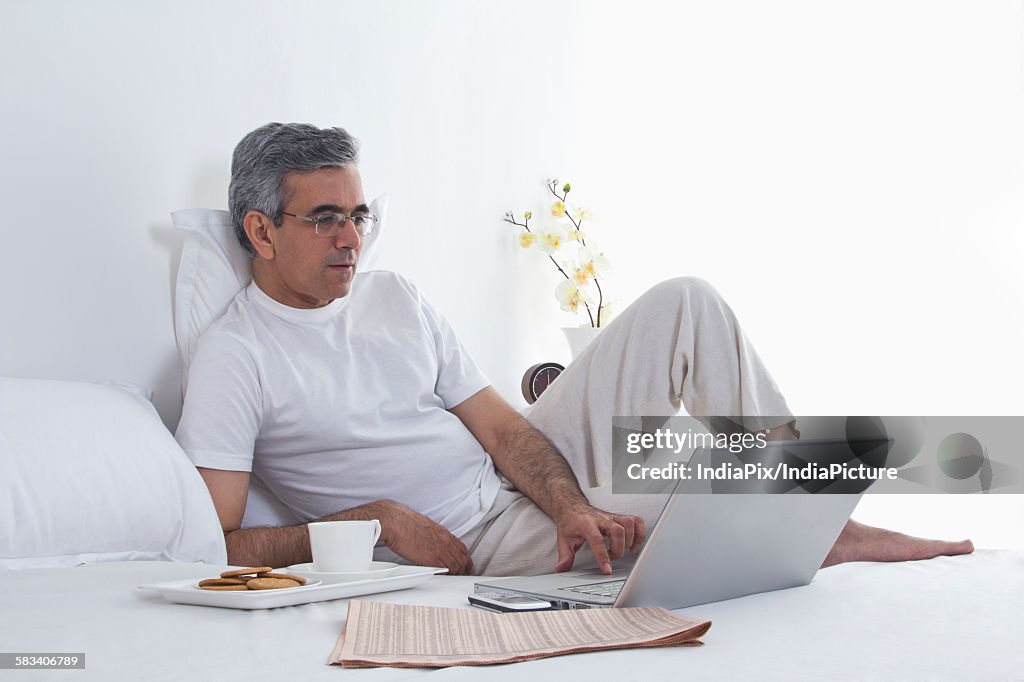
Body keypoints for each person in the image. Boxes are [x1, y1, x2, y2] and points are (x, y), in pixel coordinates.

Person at [175, 122, 974, 576]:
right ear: (260, 231)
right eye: (325, 219)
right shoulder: (236, 355)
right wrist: (377, 524)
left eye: (359, 215)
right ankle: (829, 535)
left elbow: (501, 429)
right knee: (669, 542)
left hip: (523, 469)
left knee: (685, 301)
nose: (352, 239)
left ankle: (815, 507)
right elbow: (217, 540)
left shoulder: (392, 296)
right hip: (473, 539)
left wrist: (566, 501)